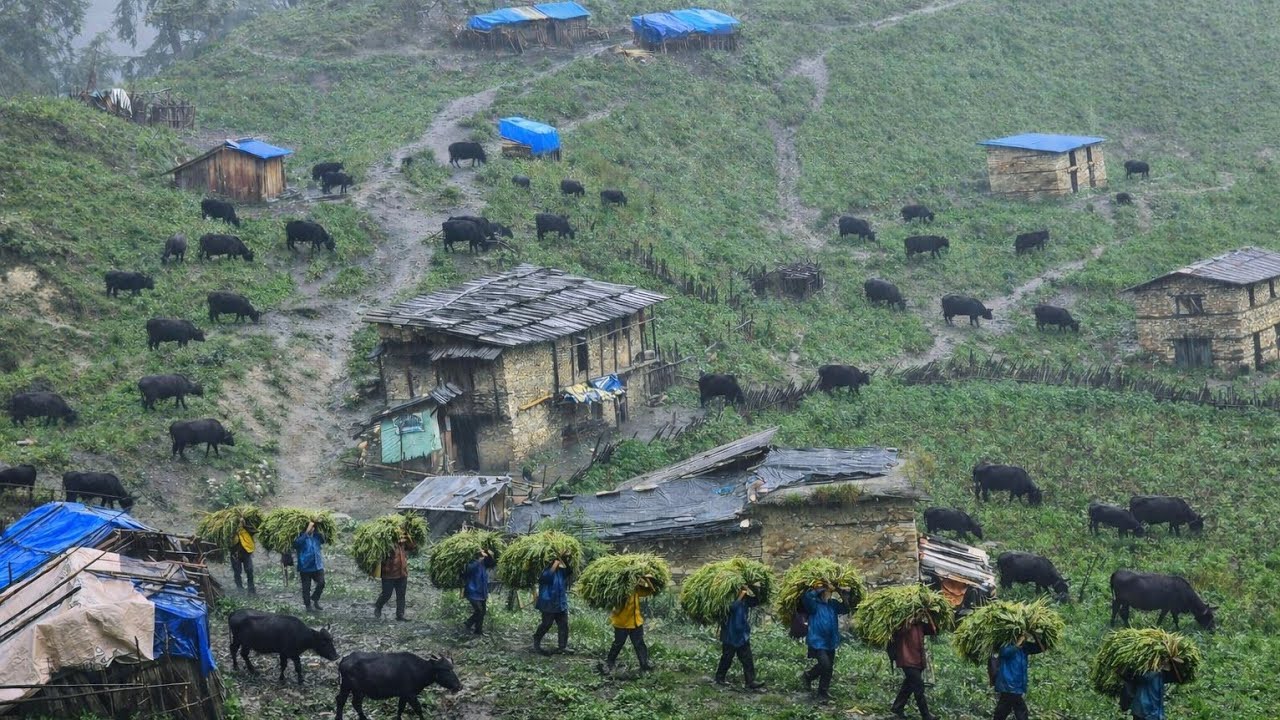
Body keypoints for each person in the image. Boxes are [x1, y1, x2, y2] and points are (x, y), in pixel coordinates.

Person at [801, 582, 851, 703]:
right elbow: (806, 597)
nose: (830, 593)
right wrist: (823, 587)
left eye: (830, 592)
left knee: (828, 667)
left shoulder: (832, 604)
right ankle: (813, 682)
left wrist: (841, 594)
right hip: (817, 640)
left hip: (831, 641)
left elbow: (845, 609)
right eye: (828, 592)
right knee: (825, 665)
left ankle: (819, 688)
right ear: (822, 592)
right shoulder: (813, 604)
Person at [600, 575, 657, 674]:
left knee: (639, 644)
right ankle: (609, 662)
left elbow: (650, 591)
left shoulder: (636, 589)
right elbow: (616, 608)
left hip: (636, 623)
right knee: (618, 643)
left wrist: (646, 579)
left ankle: (644, 664)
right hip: (622, 623)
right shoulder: (619, 591)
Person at [888, 614, 939, 720]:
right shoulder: (902, 624)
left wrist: (930, 615)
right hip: (907, 660)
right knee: (918, 687)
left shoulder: (920, 625)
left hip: (918, 661)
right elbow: (895, 634)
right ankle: (926, 715)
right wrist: (910, 620)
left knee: (908, 686)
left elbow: (933, 630)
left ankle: (897, 707)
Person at [715, 586, 764, 690]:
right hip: (730, 634)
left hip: (742, 634)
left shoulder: (745, 598)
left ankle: (750, 682)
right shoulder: (726, 597)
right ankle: (719, 678)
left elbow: (756, 601)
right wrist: (741, 594)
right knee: (727, 658)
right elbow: (732, 608)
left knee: (747, 659)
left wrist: (755, 588)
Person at [990, 634, 1043, 720]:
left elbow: (1041, 647)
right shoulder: (1005, 644)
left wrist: (1035, 634)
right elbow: (1004, 653)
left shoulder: (1025, 647)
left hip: (1017, 686)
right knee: (1020, 711)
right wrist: (1018, 644)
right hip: (1008, 685)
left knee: (1003, 711)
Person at [533, 557, 571, 655]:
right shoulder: (545, 572)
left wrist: (564, 558)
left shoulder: (561, 572)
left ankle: (562, 647)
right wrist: (555, 563)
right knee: (546, 624)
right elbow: (547, 577)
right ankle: (536, 641)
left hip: (561, 603)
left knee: (563, 625)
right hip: (548, 604)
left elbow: (569, 571)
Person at [374, 532, 415, 621]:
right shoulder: (385, 540)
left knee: (401, 595)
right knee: (387, 594)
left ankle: (400, 615)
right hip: (389, 573)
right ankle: (378, 605)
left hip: (402, 572)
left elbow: (412, 547)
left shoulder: (403, 539)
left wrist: (408, 538)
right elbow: (380, 552)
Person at [293, 520, 326, 612]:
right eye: (311, 527)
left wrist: (320, 528)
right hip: (305, 566)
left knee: (321, 583)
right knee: (306, 588)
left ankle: (315, 599)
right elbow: (296, 544)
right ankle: (308, 606)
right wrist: (306, 532)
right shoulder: (301, 537)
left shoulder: (317, 537)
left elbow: (324, 540)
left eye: (314, 527)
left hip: (317, 566)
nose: (313, 529)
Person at [462, 548, 497, 635]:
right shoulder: (471, 563)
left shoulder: (483, 563)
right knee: (479, 611)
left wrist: (489, 554)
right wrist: (479, 559)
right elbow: (467, 571)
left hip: (482, 591)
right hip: (472, 591)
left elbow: (492, 563)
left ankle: (478, 631)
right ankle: (468, 623)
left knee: (483, 612)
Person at [229, 515, 256, 595]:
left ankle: (251, 589)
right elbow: (227, 540)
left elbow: (254, 530)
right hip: (235, 554)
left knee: (249, 570)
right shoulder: (231, 530)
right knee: (237, 572)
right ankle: (240, 589)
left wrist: (244, 524)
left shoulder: (247, 528)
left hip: (246, 552)